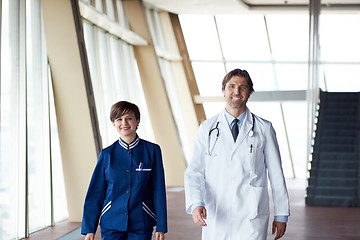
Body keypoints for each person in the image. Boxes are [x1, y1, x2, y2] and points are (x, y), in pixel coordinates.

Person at [184, 69, 290, 240]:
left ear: (249, 92)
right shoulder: (207, 129)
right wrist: (196, 203)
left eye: (243, 87)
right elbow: (194, 171)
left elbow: (276, 174)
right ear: (223, 90)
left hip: (251, 215)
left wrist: (281, 214)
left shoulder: (264, 128)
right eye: (231, 86)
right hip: (217, 213)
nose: (237, 91)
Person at [81, 101, 167, 240]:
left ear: (137, 121)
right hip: (111, 222)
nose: (124, 123)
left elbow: (158, 190)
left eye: (129, 118)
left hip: (141, 222)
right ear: (113, 123)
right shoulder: (107, 154)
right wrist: (89, 229)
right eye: (119, 119)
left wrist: (161, 226)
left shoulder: (152, 151)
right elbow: (95, 193)